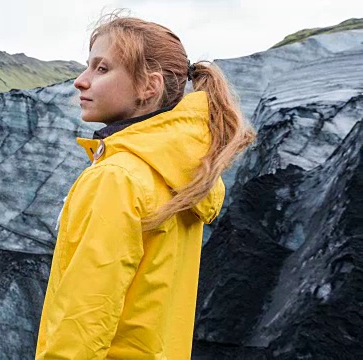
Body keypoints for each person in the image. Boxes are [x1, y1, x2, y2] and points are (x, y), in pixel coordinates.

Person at [35, 12, 256, 360]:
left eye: (101, 68)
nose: (81, 80)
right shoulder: (180, 174)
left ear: (148, 86)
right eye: (87, 66)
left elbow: (85, 318)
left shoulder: (117, 178)